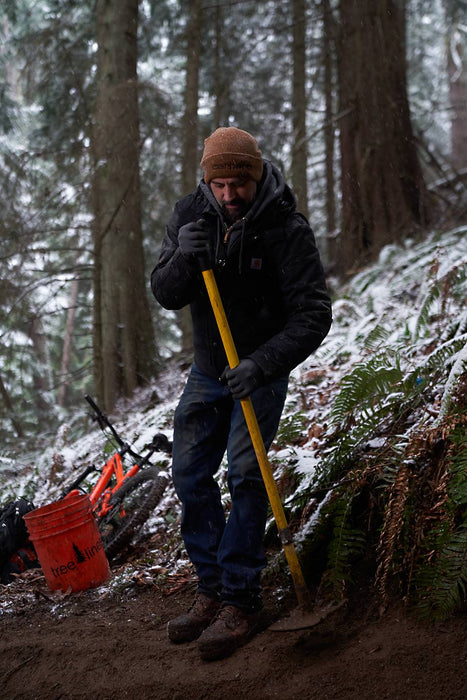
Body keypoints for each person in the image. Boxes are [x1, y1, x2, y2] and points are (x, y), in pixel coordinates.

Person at [151, 126, 332, 661]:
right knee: (188, 473)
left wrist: (263, 363)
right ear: (208, 180)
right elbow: (165, 293)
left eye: (239, 184)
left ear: (256, 177)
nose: (229, 195)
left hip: (260, 370)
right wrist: (184, 258)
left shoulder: (286, 229)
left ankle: (240, 598)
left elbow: (314, 315)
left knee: (247, 474)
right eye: (220, 184)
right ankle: (209, 588)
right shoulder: (190, 215)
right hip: (209, 370)